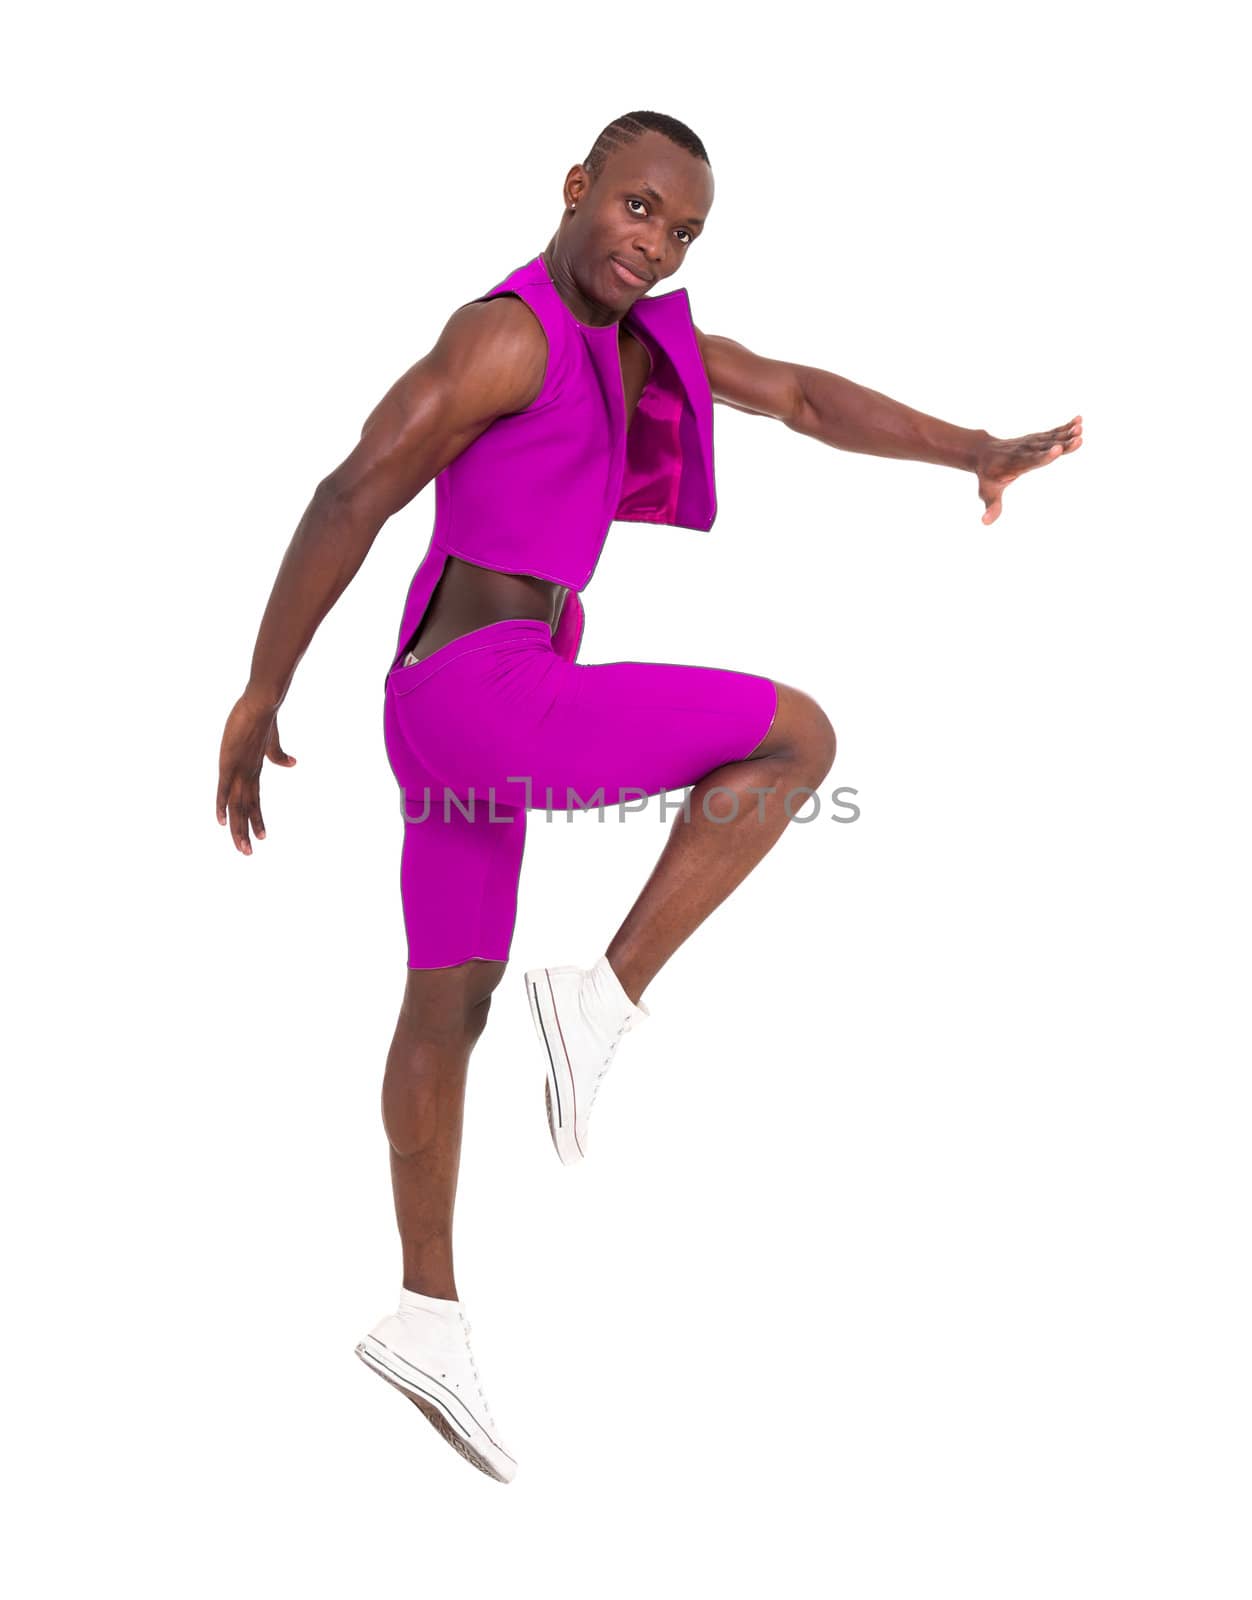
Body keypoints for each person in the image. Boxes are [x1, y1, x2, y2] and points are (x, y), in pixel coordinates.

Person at [215, 109, 1082, 1483]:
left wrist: (971, 444)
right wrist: (262, 691)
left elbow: (800, 396)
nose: (655, 246)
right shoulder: (508, 336)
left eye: (681, 230)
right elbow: (353, 490)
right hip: (482, 695)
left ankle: (424, 1311)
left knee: (447, 1000)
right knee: (798, 739)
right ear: (576, 189)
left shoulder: (644, 340)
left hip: (446, 705)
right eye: (635, 209)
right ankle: (605, 994)